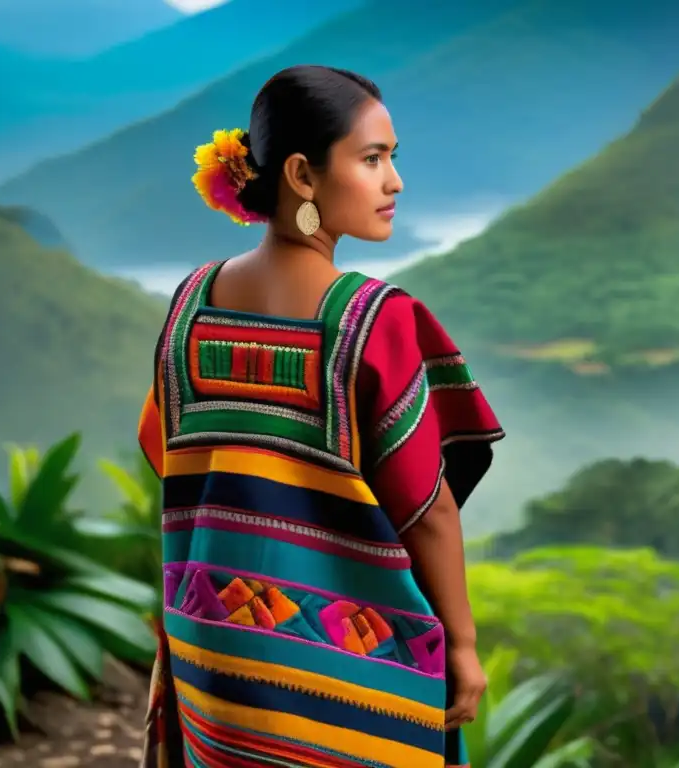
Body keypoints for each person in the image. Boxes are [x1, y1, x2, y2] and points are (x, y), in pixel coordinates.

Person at [136, 64, 505, 768]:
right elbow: (428, 508)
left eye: (393, 158)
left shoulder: (189, 304)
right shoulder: (375, 321)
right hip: (343, 675)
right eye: (372, 159)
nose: (394, 182)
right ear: (302, 176)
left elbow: (164, 449)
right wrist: (460, 644)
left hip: (214, 657)